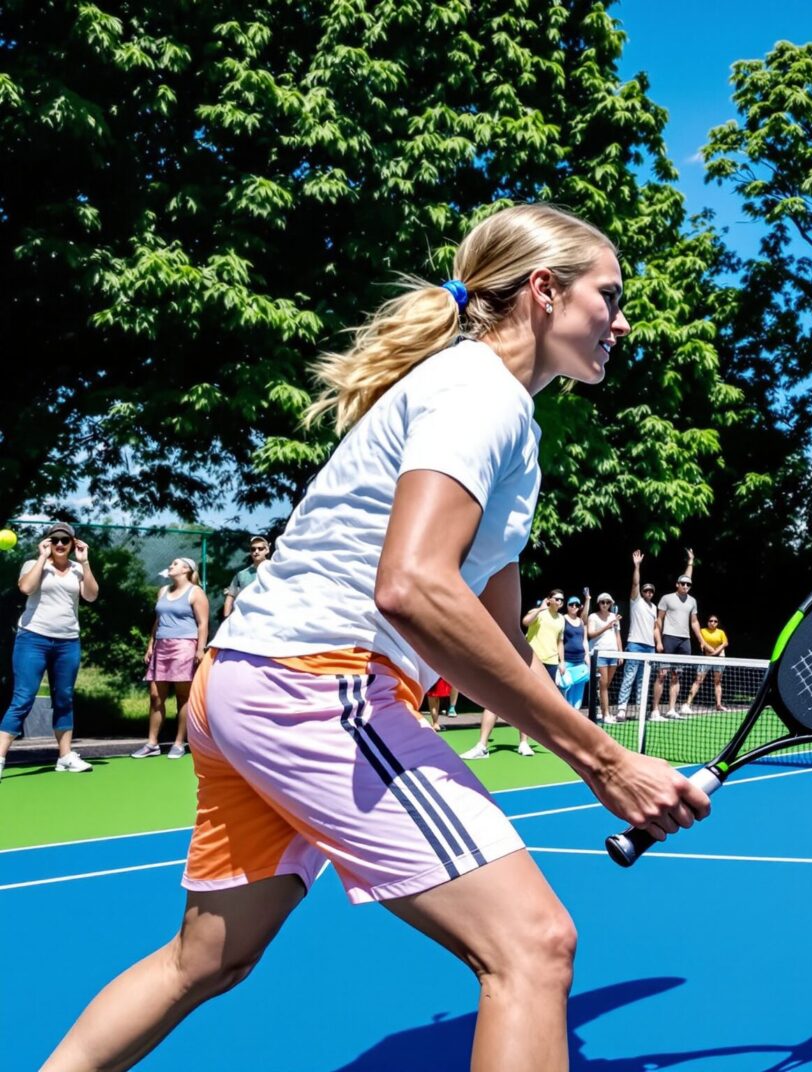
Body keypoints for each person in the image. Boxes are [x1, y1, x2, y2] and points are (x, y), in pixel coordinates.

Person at [44, 204, 708, 1071]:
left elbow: (498, 644)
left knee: (205, 959)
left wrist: (609, 755)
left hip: (245, 679)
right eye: (608, 297)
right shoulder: (481, 396)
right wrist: (606, 762)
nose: (621, 323)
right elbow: (413, 586)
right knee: (532, 946)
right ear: (545, 291)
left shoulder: (492, 412)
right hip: (318, 686)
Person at [0, 521, 101, 779]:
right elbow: (26, 588)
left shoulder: (78, 569)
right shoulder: (34, 565)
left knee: (64, 698)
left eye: (65, 540)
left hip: (68, 642)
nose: (59, 544)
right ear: (47, 542)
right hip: (32, 639)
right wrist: (42, 558)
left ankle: (65, 757)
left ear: (73, 544)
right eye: (54, 540)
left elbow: (91, 595)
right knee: (23, 698)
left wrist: (85, 562)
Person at [463, 589, 564, 758]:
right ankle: (482, 746)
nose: (560, 602)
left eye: (562, 599)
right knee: (494, 699)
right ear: (549, 599)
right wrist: (540, 609)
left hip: (550, 663)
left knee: (529, 702)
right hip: (529, 661)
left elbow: (559, 641)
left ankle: (524, 743)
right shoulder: (537, 612)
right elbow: (525, 622)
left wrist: (562, 661)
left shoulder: (561, 619)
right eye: (557, 598)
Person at [134, 557, 209, 759]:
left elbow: (203, 624)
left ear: (186, 569)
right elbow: (158, 621)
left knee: (183, 697)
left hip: (185, 646)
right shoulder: (163, 591)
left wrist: (200, 649)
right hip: (161, 646)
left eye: (175, 564)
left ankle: (179, 743)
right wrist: (151, 645)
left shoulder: (196, 592)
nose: (170, 566)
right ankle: (152, 744)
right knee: (155, 696)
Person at [612, 551, 657, 721]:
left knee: (643, 681)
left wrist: (657, 643)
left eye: (651, 591)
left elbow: (655, 628)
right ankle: (621, 710)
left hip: (650, 648)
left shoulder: (654, 608)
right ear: (642, 592)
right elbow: (635, 583)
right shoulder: (636, 601)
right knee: (629, 678)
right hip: (635, 645)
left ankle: (640, 709)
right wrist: (637, 566)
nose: (648, 593)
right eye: (646, 591)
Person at [653, 552, 698, 717]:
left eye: (688, 584)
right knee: (662, 674)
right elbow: (658, 620)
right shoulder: (667, 598)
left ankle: (671, 710)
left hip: (685, 640)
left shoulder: (692, 601)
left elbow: (694, 622)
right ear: (677, 584)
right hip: (669, 638)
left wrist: (702, 641)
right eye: (683, 584)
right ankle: (655, 710)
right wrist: (659, 641)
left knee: (676, 676)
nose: (686, 586)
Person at [587, 592, 621, 722]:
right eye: (602, 602)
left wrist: (620, 653)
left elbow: (617, 635)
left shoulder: (614, 617)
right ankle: (606, 714)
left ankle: (603, 711)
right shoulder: (593, 616)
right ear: (598, 603)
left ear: (611, 604)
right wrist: (606, 627)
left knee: (605, 686)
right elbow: (590, 634)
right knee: (603, 685)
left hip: (613, 653)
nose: (605, 604)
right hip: (599, 653)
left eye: (608, 602)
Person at [687, 614, 732, 712]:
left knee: (718, 681)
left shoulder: (721, 632)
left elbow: (725, 643)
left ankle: (718, 705)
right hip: (706, 658)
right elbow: (702, 642)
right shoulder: (702, 631)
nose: (713, 623)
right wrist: (711, 651)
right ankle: (687, 704)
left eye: (715, 621)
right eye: (711, 621)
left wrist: (716, 652)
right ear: (707, 622)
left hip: (719, 658)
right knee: (698, 680)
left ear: (717, 623)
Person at [221, 535, 272, 620]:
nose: (256, 551)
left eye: (260, 548)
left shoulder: (275, 570)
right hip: (246, 619)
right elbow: (230, 596)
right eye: (253, 549)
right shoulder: (241, 574)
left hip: (269, 618)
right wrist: (226, 618)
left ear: (267, 550)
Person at [558, 595, 589, 710]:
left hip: (580, 662)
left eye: (577, 605)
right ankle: (565, 718)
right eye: (571, 604)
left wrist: (587, 658)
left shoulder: (581, 621)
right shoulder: (562, 619)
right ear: (567, 606)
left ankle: (575, 717)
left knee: (578, 699)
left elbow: (584, 641)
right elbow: (559, 641)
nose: (574, 606)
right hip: (567, 662)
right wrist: (561, 661)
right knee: (567, 693)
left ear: (580, 607)